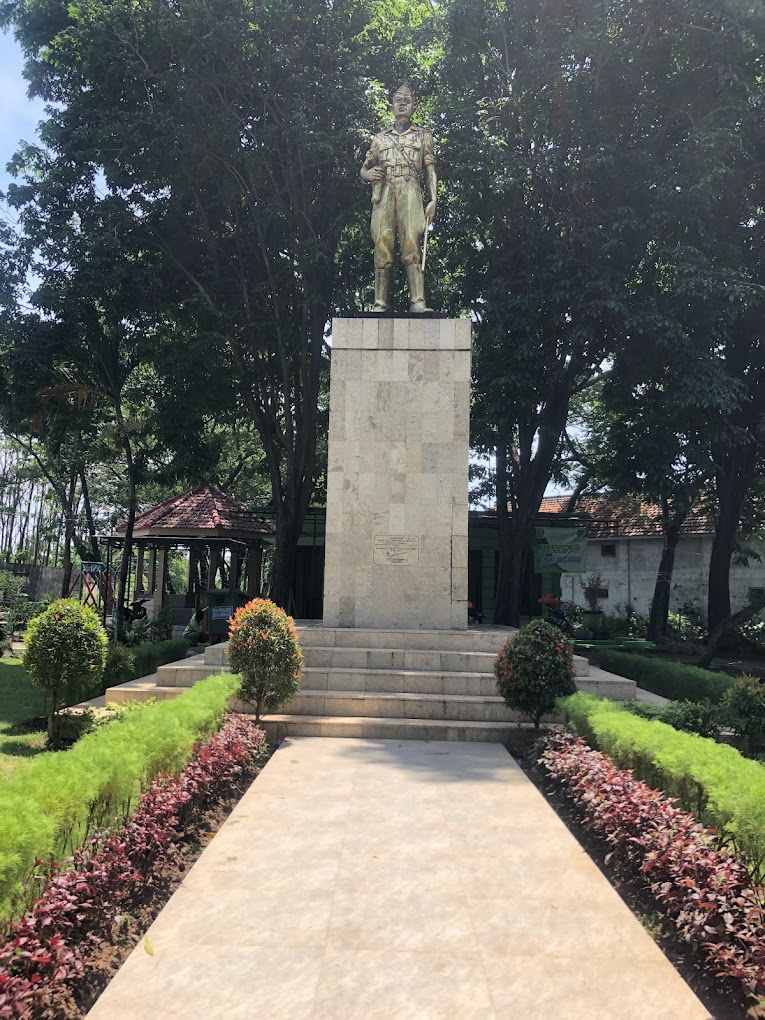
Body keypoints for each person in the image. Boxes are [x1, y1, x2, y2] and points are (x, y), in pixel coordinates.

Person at [360, 83, 438, 313]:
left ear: (414, 106)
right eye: (398, 100)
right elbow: (364, 169)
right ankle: (380, 303)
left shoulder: (424, 136)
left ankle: (417, 302)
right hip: (384, 192)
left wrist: (433, 199)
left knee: (411, 241)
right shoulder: (380, 138)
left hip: (410, 189)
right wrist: (368, 175)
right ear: (392, 105)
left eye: (407, 100)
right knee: (382, 243)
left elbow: (430, 170)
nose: (402, 103)